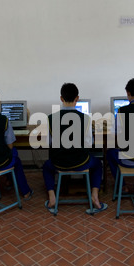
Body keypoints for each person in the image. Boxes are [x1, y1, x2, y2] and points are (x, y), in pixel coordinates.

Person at [43, 83, 107, 214]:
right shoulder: (86, 119)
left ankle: (52, 197)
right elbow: (89, 144)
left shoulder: (50, 119)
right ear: (77, 98)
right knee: (98, 164)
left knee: (46, 166)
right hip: (81, 162)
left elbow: (48, 143)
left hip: (59, 163)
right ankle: (95, 196)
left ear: (61, 98)